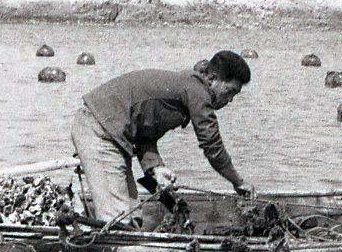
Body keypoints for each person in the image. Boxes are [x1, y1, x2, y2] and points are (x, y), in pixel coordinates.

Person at [71, 50, 253, 224]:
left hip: (109, 132)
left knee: (133, 215)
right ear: (212, 79)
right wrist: (238, 182)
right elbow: (212, 145)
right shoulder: (197, 92)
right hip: (99, 129)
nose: (229, 100)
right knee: (117, 218)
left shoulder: (186, 88)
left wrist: (155, 167)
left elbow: (144, 134)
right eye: (229, 92)